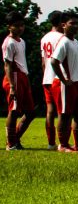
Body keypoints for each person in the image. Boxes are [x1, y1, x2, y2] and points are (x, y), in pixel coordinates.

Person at [50, 12, 78, 152]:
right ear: (63, 25)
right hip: (64, 84)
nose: (76, 26)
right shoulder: (64, 42)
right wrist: (64, 79)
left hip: (76, 83)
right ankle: (63, 145)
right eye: (72, 23)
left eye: (77, 23)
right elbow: (54, 61)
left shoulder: (75, 42)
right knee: (65, 115)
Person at [3, 11, 35, 150]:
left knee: (30, 112)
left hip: (23, 76)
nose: (20, 28)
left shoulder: (21, 41)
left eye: (22, 25)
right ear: (9, 26)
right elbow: (7, 65)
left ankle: (15, 139)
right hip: (14, 76)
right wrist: (11, 85)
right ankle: (11, 143)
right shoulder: (8, 43)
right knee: (14, 110)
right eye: (16, 26)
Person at [39, 10, 64, 150]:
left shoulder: (44, 38)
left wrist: (45, 75)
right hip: (58, 78)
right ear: (62, 22)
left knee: (50, 111)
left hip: (47, 77)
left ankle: (50, 143)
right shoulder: (62, 38)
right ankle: (62, 142)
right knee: (62, 111)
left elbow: (43, 62)